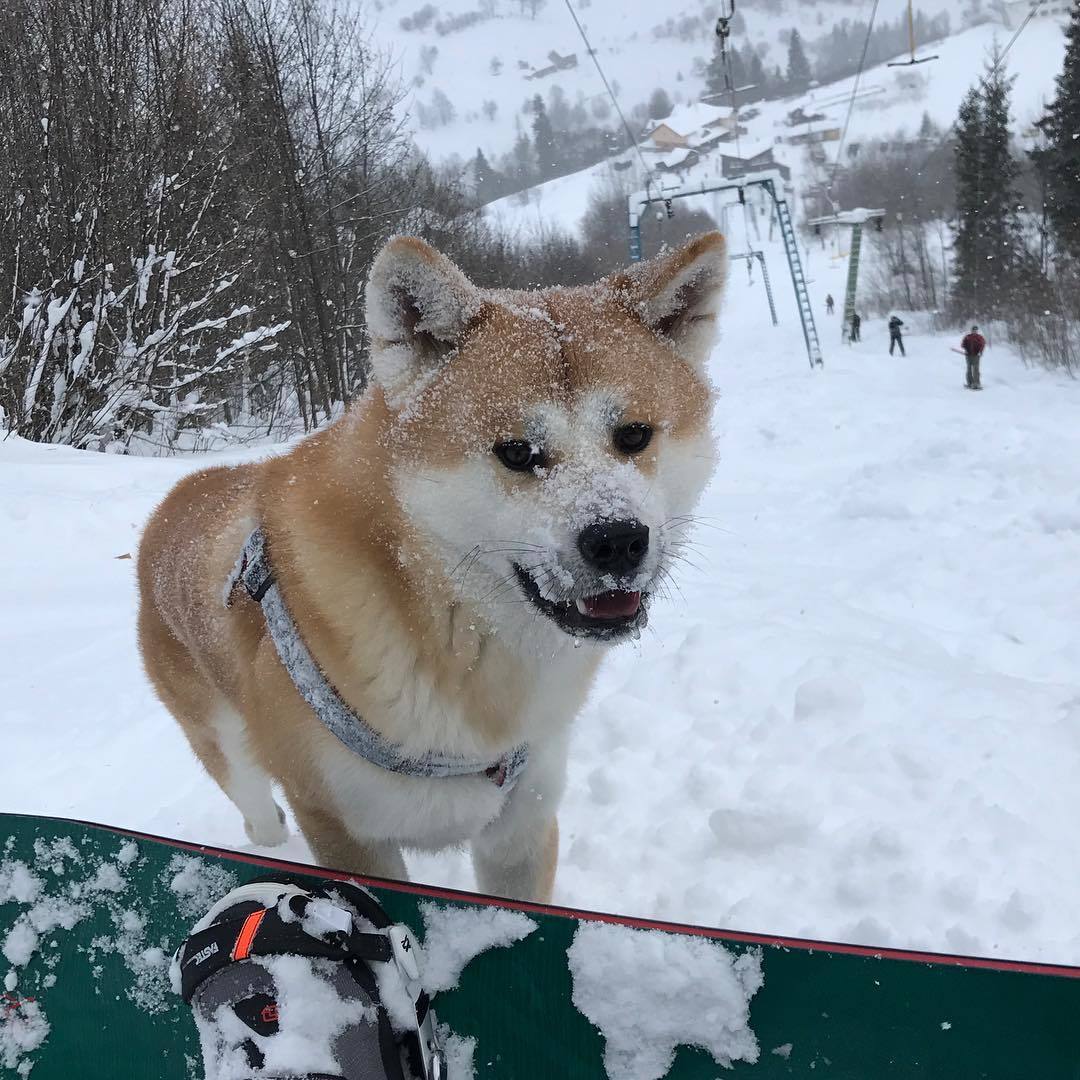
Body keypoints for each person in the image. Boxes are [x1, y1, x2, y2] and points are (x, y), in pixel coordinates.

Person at [961, 324, 986, 390]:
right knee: (969, 369)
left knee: (976, 370)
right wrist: (966, 349)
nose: (974, 331)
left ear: (977, 331)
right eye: (973, 330)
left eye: (975, 330)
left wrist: (980, 351)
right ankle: (970, 383)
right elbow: (963, 344)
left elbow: (983, 344)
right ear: (971, 330)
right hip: (968, 356)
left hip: (976, 356)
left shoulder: (980, 337)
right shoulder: (967, 337)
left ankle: (977, 383)